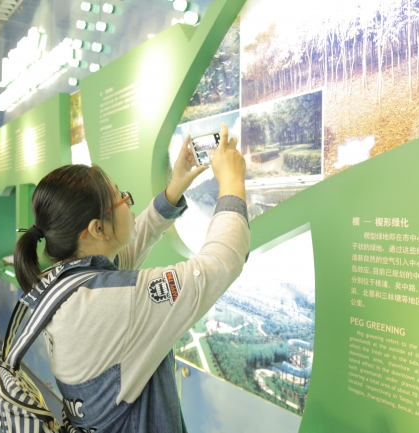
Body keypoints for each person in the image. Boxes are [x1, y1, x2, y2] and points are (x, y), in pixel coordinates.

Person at [14, 124, 249, 432]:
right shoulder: (110, 303)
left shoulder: (65, 283)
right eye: (120, 197)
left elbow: (136, 241)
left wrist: (174, 187)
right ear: (98, 229)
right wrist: (232, 182)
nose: (128, 201)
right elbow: (221, 263)